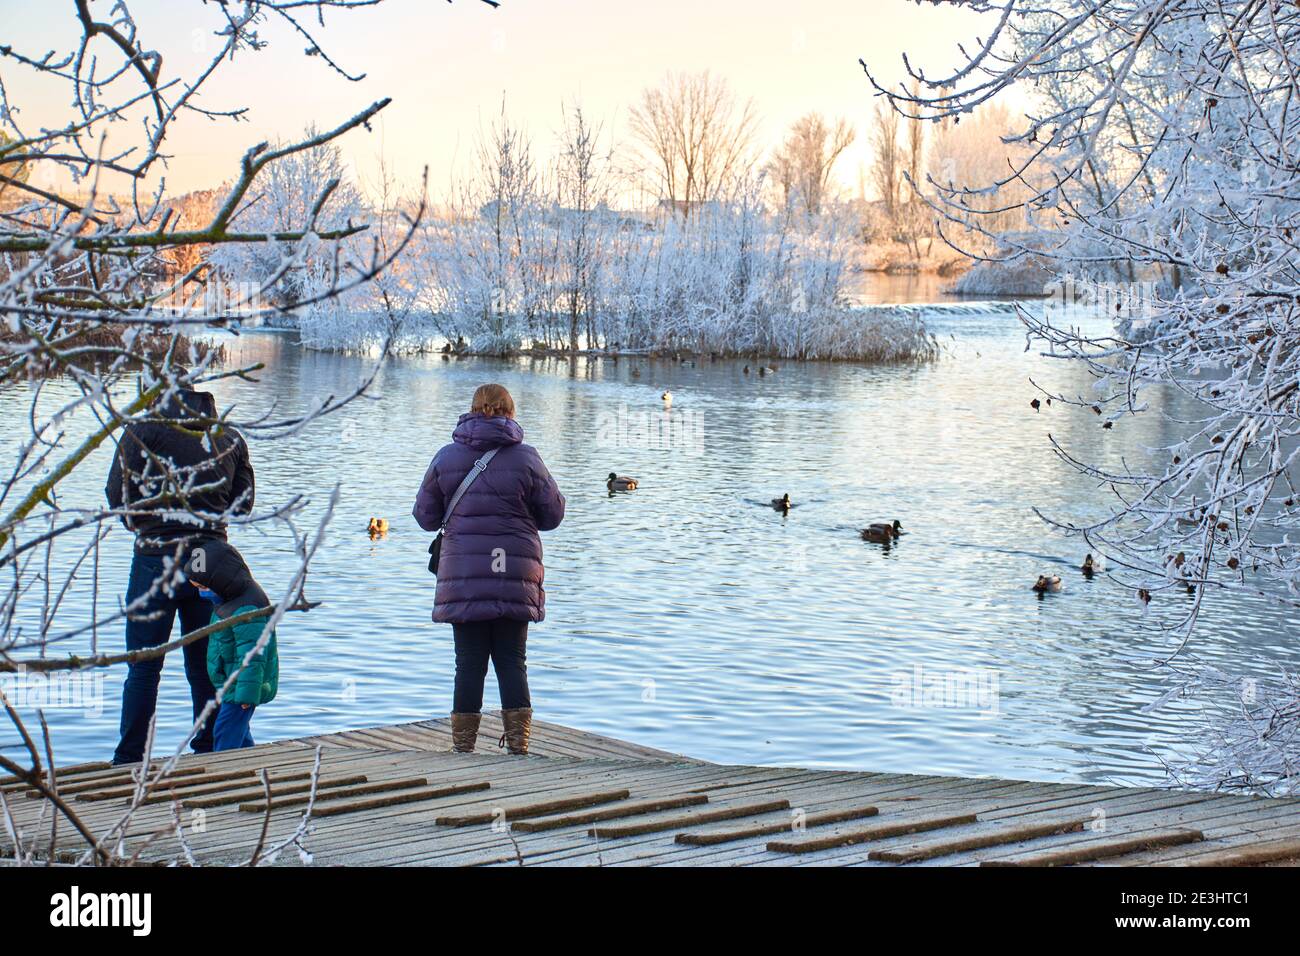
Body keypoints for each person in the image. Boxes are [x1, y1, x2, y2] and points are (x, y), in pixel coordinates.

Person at [105, 380, 255, 765]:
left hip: (156, 556)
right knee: (205, 666)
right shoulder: (230, 438)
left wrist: (145, 524)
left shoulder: (142, 431)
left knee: (144, 665)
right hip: (209, 560)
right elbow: (242, 507)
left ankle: (128, 759)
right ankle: (207, 753)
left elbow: (116, 495)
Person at [413, 383, 565, 755]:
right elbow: (554, 515)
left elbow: (425, 517)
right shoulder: (528, 459)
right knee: (513, 661)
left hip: (464, 574)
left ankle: (464, 748)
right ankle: (519, 746)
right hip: (515, 572)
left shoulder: (447, 457)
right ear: (510, 413)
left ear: (473, 409)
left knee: (468, 663)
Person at [185, 540, 278, 751]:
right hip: (230, 683)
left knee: (225, 731)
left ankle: (225, 772)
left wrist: (246, 696)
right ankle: (249, 764)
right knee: (240, 734)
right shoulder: (227, 601)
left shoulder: (246, 609)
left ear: (220, 580)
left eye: (203, 587)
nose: (202, 593)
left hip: (241, 688)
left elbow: (253, 656)